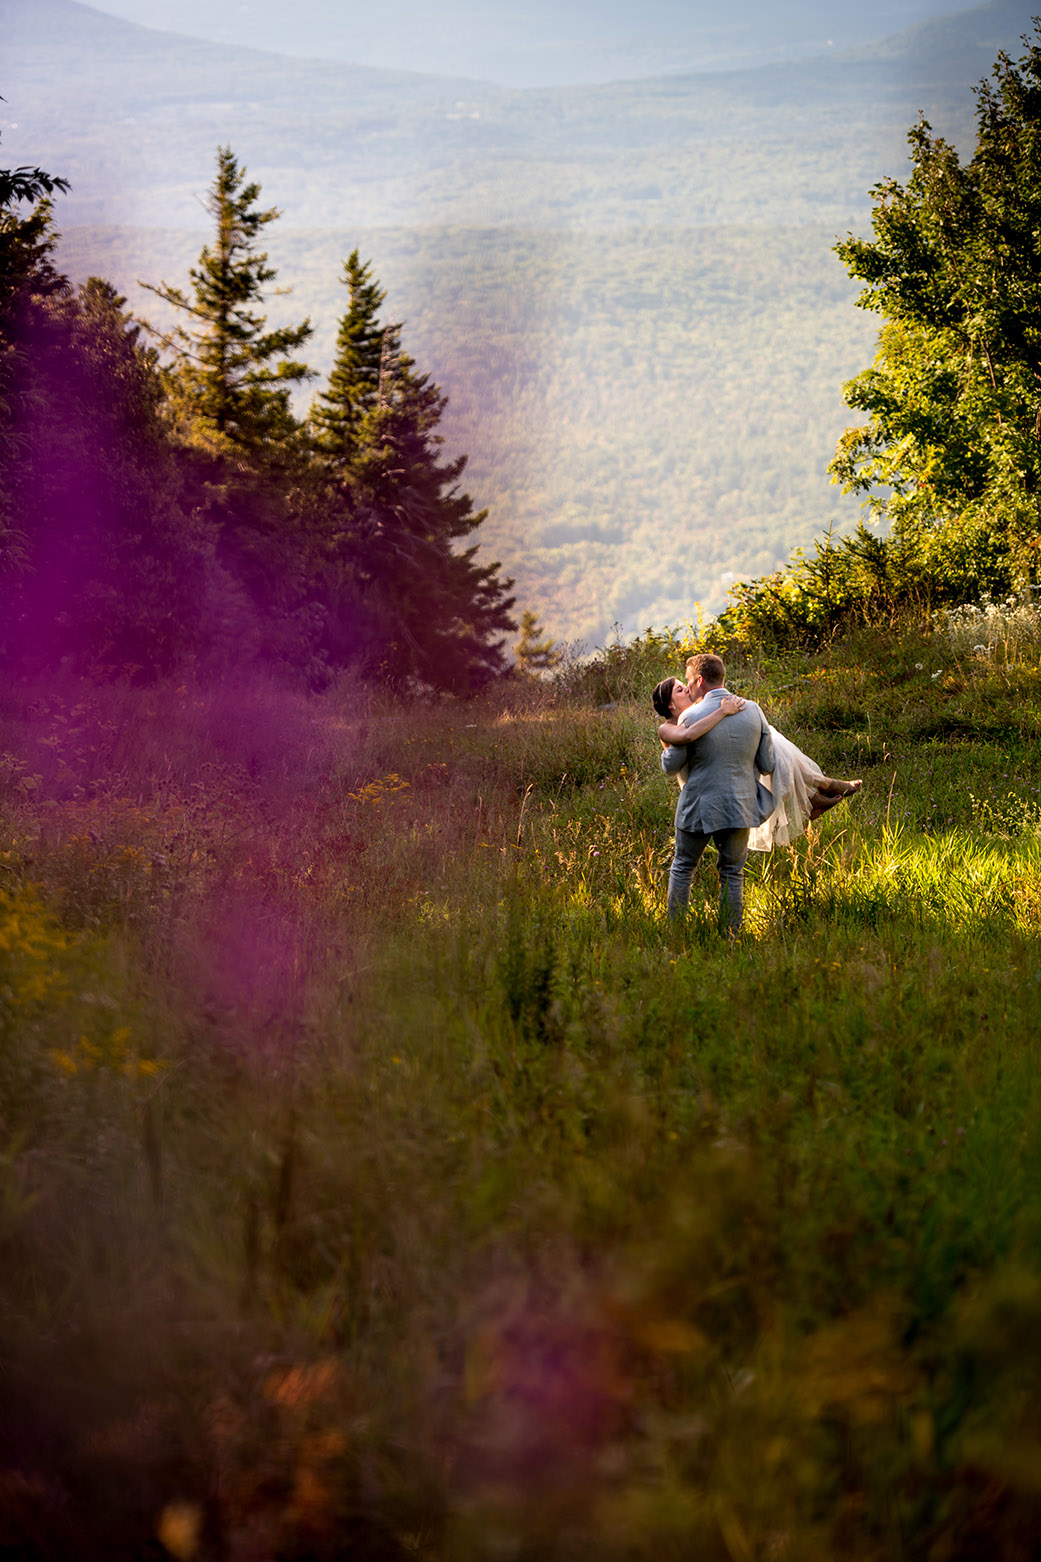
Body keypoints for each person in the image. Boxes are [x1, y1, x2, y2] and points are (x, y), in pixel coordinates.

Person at [652, 661, 862, 852]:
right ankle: (818, 789)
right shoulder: (670, 727)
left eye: (686, 684)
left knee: (771, 738)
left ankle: (813, 792)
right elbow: (689, 736)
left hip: (724, 767)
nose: (687, 689)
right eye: (680, 689)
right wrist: (723, 712)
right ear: (670, 704)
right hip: (708, 783)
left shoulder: (695, 713)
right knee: (771, 742)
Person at [652, 652, 776, 933]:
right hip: (741, 804)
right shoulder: (754, 710)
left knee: (683, 867)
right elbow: (768, 764)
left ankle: (676, 932)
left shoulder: (689, 716)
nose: (688, 687)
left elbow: (671, 765)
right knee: (733, 873)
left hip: (700, 804)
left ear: (699, 680)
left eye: (687, 682)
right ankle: (731, 935)